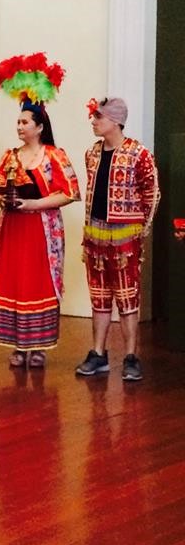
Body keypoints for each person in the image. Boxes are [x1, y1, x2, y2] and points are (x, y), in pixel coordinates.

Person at [0, 103, 80, 368]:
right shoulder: (10, 156)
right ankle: (18, 344)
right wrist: (3, 200)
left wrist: (33, 204)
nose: (19, 126)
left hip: (41, 228)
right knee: (14, 280)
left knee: (38, 281)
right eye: (18, 122)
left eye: (25, 122)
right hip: (13, 227)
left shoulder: (54, 156)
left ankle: (39, 346)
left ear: (39, 127)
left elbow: (70, 193)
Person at [75, 97, 160, 382]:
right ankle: (98, 353)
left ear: (115, 121)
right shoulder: (92, 153)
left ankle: (131, 356)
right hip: (95, 233)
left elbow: (152, 192)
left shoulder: (138, 153)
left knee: (127, 296)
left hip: (125, 236)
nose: (93, 121)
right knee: (99, 295)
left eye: (98, 117)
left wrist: (140, 227)